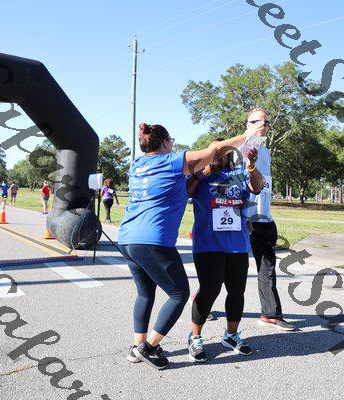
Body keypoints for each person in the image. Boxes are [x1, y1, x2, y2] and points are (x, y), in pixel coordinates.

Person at [119, 121, 256, 370]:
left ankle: (136, 346)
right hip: (153, 239)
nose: (173, 145)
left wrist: (210, 172)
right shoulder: (169, 161)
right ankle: (147, 347)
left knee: (145, 293)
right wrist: (246, 136)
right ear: (165, 143)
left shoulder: (138, 164)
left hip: (127, 237)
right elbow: (213, 151)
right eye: (171, 141)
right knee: (179, 294)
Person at [186, 138, 263, 362]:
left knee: (237, 292)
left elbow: (257, 187)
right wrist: (204, 172)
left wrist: (251, 167)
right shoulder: (200, 176)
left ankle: (231, 335)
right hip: (208, 245)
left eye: (225, 151)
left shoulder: (239, 174)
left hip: (237, 246)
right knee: (209, 291)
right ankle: (195, 337)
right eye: (216, 151)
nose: (221, 155)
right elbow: (186, 192)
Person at [243, 108, 295, 331]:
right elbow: (234, 184)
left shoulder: (265, 151)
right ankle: (201, 302)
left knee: (267, 269)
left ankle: (270, 315)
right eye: (257, 121)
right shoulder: (239, 149)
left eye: (266, 122)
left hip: (265, 220)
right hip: (244, 221)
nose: (263, 125)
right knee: (226, 270)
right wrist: (245, 217)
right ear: (248, 124)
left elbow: (264, 186)